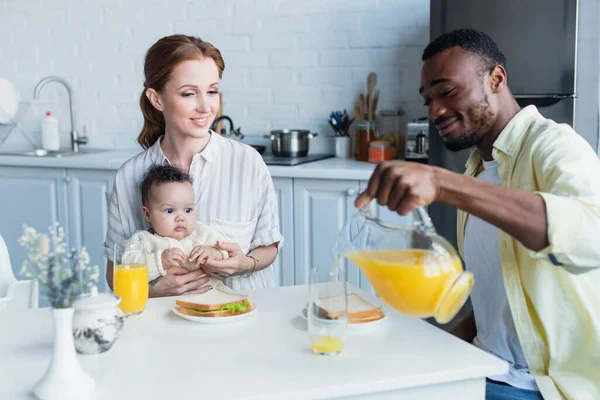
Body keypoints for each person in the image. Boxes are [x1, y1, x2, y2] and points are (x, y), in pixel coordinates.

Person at [356, 29, 600, 400]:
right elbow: (502, 304)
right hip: (486, 368)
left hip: (539, 387)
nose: (435, 110)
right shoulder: (476, 170)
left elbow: (591, 235)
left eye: (448, 91)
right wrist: (435, 354)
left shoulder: (554, 144)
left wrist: (441, 183)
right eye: (429, 99)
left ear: (496, 79)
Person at [104, 34, 283, 297]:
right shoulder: (130, 176)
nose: (205, 106)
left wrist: (243, 264)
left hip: (243, 318)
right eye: (189, 93)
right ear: (157, 99)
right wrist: (154, 290)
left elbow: (269, 247)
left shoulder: (247, 162)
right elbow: (115, 274)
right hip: (165, 326)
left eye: (212, 91)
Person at [120, 164, 231, 289]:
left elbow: (227, 252)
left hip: (211, 297)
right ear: (147, 214)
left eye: (188, 210)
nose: (180, 217)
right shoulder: (143, 240)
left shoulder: (202, 233)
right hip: (163, 304)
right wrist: (159, 261)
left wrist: (214, 253)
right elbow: (128, 268)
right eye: (169, 211)